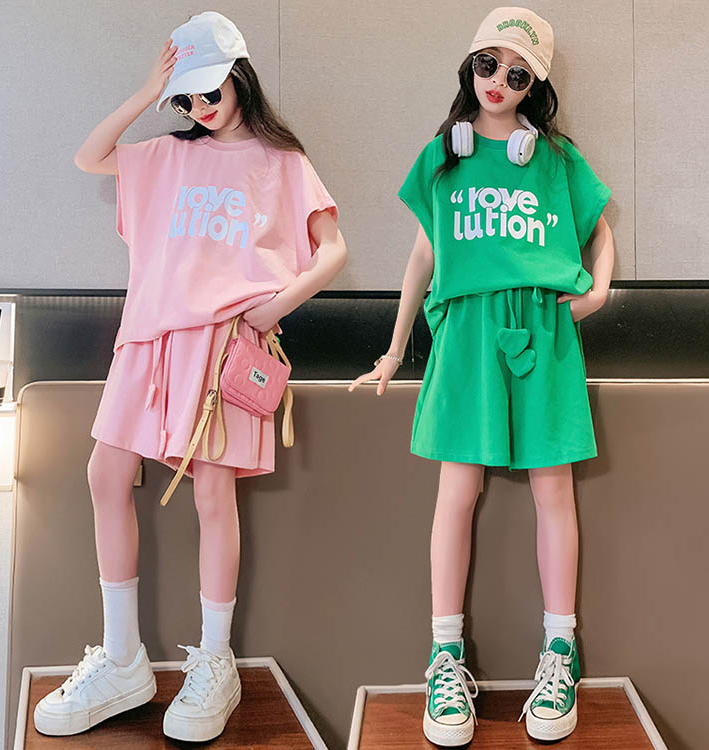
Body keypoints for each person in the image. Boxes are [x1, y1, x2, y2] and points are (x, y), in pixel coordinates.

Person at [33, 11, 346, 742]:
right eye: (188, 97)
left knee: (212, 494)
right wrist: (151, 88)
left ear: (240, 78)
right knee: (105, 474)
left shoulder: (280, 161)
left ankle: (214, 661)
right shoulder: (166, 155)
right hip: (148, 337)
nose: (201, 107)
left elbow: (333, 249)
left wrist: (273, 308)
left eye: (211, 91)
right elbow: (88, 156)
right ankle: (122, 658)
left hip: (225, 344)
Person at [350, 6, 614, 746]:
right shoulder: (445, 155)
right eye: (487, 65)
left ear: (536, 86)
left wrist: (598, 293)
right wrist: (395, 350)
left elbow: (600, 229)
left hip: (542, 332)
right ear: (469, 68)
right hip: (465, 335)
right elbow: (423, 254)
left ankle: (560, 651)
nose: (498, 81)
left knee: (553, 490)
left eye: (517, 74)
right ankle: (445, 657)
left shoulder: (554, 159)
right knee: (456, 492)